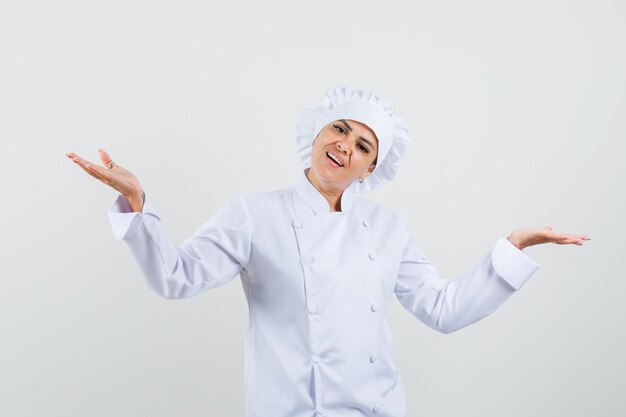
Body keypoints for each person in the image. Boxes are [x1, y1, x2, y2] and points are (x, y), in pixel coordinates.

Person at [67, 86, 589, 417]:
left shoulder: (388, 228)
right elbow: (175, 277)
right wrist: (137, 203)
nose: (346, 145)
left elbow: (444, 309)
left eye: (364, 146)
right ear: (317, 134)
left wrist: (513, 249)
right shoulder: (254, 213)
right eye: (340, 129)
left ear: (371, 170)